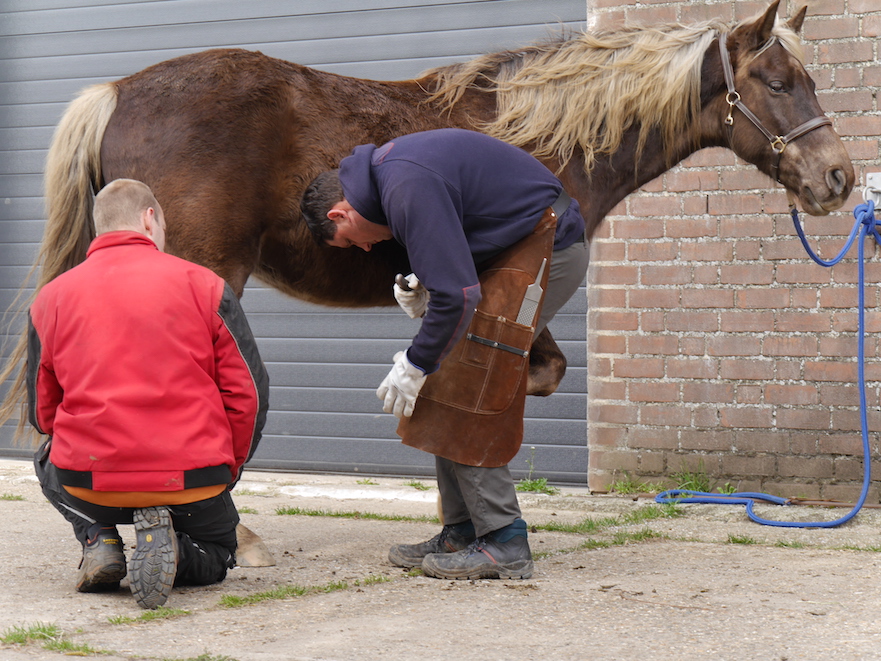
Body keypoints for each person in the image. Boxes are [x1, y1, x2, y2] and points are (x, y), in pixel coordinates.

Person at [301, 128, 588, 580]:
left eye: (350, 239)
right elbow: (455, 258)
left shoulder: (402, 184)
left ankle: (504, 541)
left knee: (471, 375)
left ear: (340, 211)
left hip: (550, 246)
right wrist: (429, 284)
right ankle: (462, 530)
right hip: (514, 247)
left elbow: (458, 298)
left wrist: (414, 363)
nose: (366, 247)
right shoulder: (390, 179)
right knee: (448, 372)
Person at [27, 179, 269, 609]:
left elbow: (43, 411)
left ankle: (99, 538)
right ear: (149, 217)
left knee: (45, 456)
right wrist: (226, 466)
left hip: (93, 484)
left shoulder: (50, 298)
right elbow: (248, 391)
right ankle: (177, 552)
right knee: (217, 554)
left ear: (99, 228)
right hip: (192, 483)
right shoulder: (206, 285)